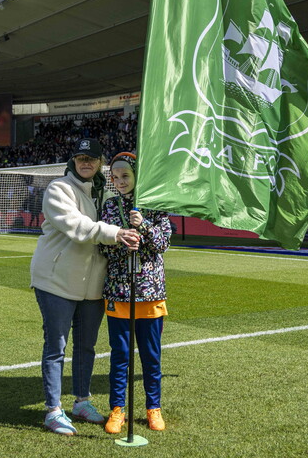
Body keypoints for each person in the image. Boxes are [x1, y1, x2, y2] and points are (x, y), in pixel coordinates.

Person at [29, 139, 140, 436]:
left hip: (93, 286)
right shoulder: (58, 189)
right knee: (57, 346)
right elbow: (78, 227)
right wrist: (118, 233)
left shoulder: (106, 191)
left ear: (100, 160)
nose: (86, 163)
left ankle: (81, 402)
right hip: (55, 281)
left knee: (86, 347)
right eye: (80, 158)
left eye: (91, 158)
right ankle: (53, 410)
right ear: (73, 161)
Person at [99, 152, 172, 434]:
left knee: (151, 357)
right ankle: (117, 410)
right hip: (118, 290)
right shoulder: (109, 206)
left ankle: (153, 408)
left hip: (150, 291)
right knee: (120, 355)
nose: (119, 182)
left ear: (137, 175)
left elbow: (163, 244)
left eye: (125, 176)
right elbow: (101, 246)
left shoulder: (156, 205)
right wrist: (119, 239)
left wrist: (143, 225)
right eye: (115, 177)